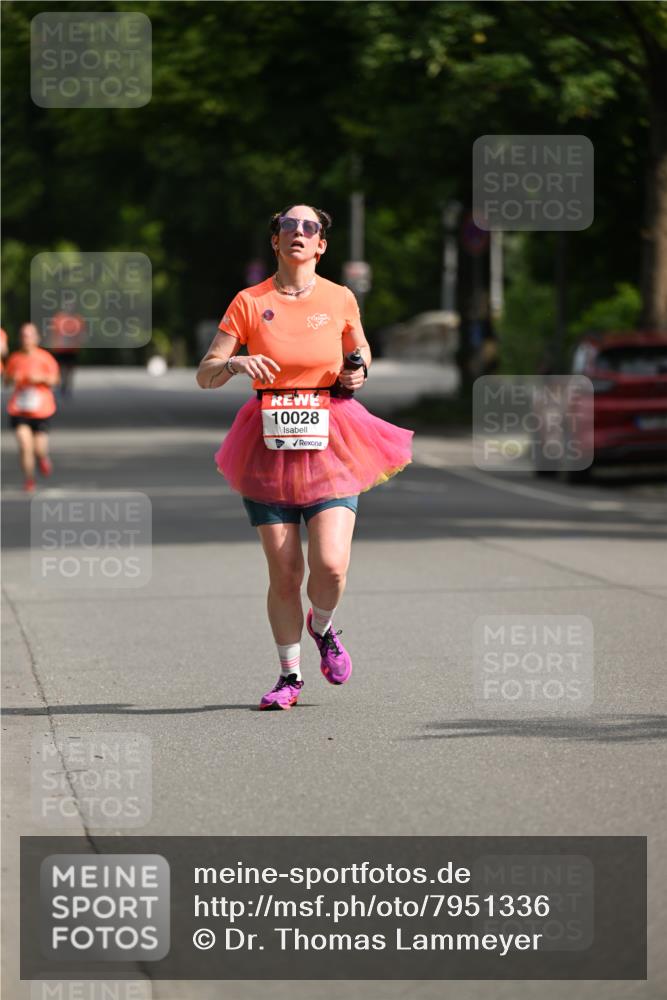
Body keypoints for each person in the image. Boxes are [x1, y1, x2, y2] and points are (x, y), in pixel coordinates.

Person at [197, 204, 413, 711]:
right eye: (287, 227)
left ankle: (324, 625)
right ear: (275, 242)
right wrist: (233, 363)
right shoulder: (249, 302)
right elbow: (204, 373)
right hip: (266, 444)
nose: (298, 233)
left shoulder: (340, 298)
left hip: (333, 436)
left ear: (321, 245)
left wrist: (356, 375)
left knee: (331, 567)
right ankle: (289, 675)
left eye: (308, 227)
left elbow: (359, 357)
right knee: (285, 572)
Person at [3, 323, 60, 493]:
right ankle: (29, 479)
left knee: (39, 448)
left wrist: (41, 378)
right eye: (23, 335)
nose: (25, 339)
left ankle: (43, 458)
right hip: (19, 408)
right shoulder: (14, 358)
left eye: (29, 335)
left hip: (41, 409)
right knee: (24, 445)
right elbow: (6, 382)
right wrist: (13, 378)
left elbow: (55, 380)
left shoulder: (45, 357)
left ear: (36, 338)